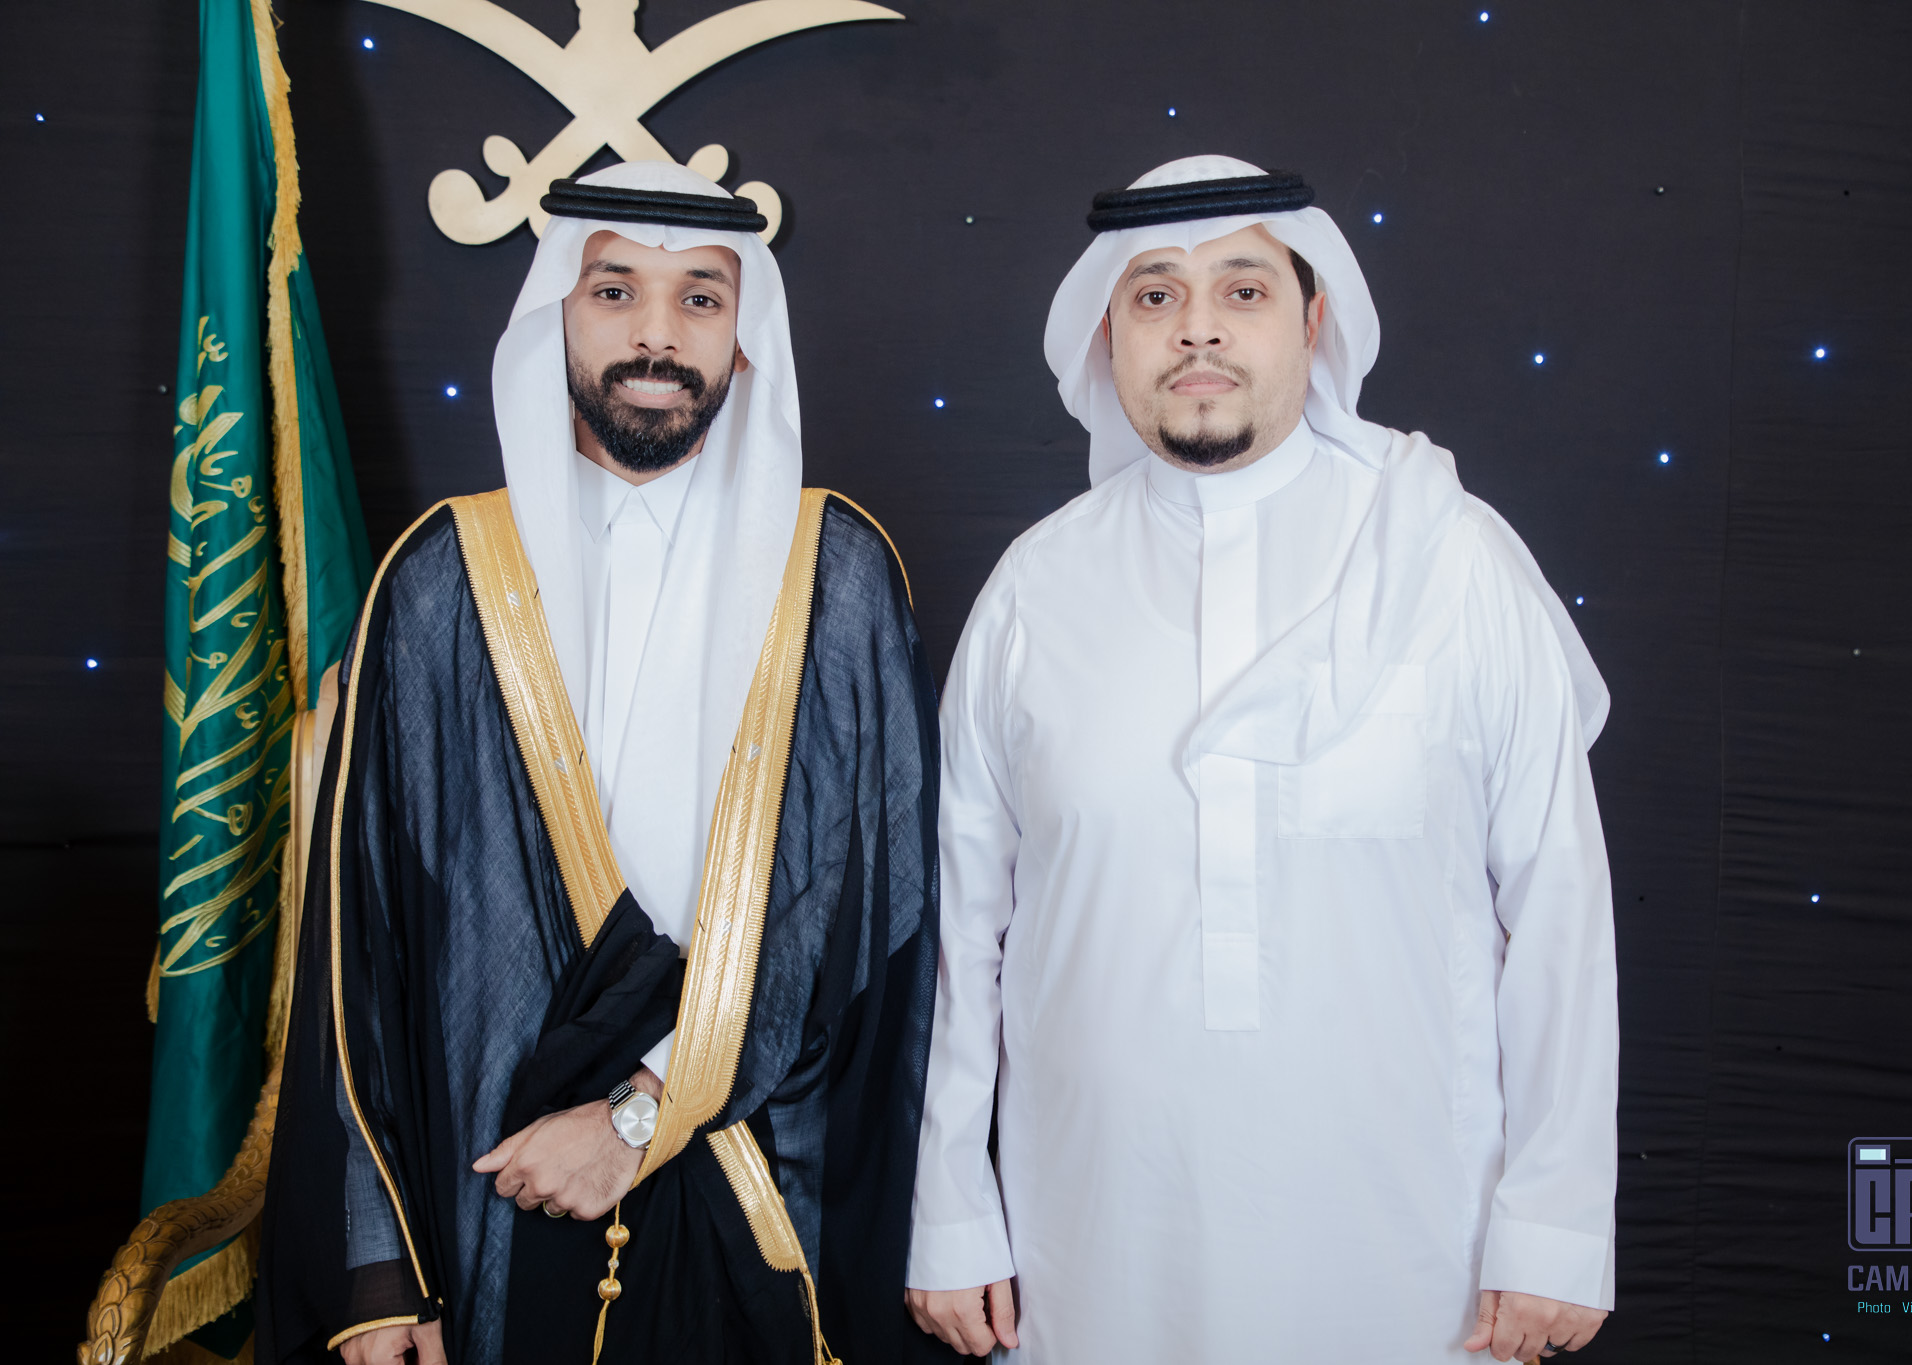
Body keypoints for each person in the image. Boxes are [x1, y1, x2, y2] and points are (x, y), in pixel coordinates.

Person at [904, 155, 1619, 1363]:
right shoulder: (1035, 586)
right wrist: (950, 1211)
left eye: (1241, 291)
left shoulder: (1449, 556)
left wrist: (1553, 1226)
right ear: (1108, 336)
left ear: (1311, 321)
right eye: (1153, 296)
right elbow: (963, 935)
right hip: (1092, 1231)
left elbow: (1558, 910)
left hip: (1413, 1238)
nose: (1196, 330)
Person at [257, 161, 942, 1365]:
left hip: (762, 1166)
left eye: (700, 299)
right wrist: (380, 1270)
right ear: (554, 319)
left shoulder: (832, 572)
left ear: (744, 337)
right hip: (495, 1183)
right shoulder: (440, 578)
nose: (655, 335)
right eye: (614, 291)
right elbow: (363, 942)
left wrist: (641, 1112)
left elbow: (858, 916)